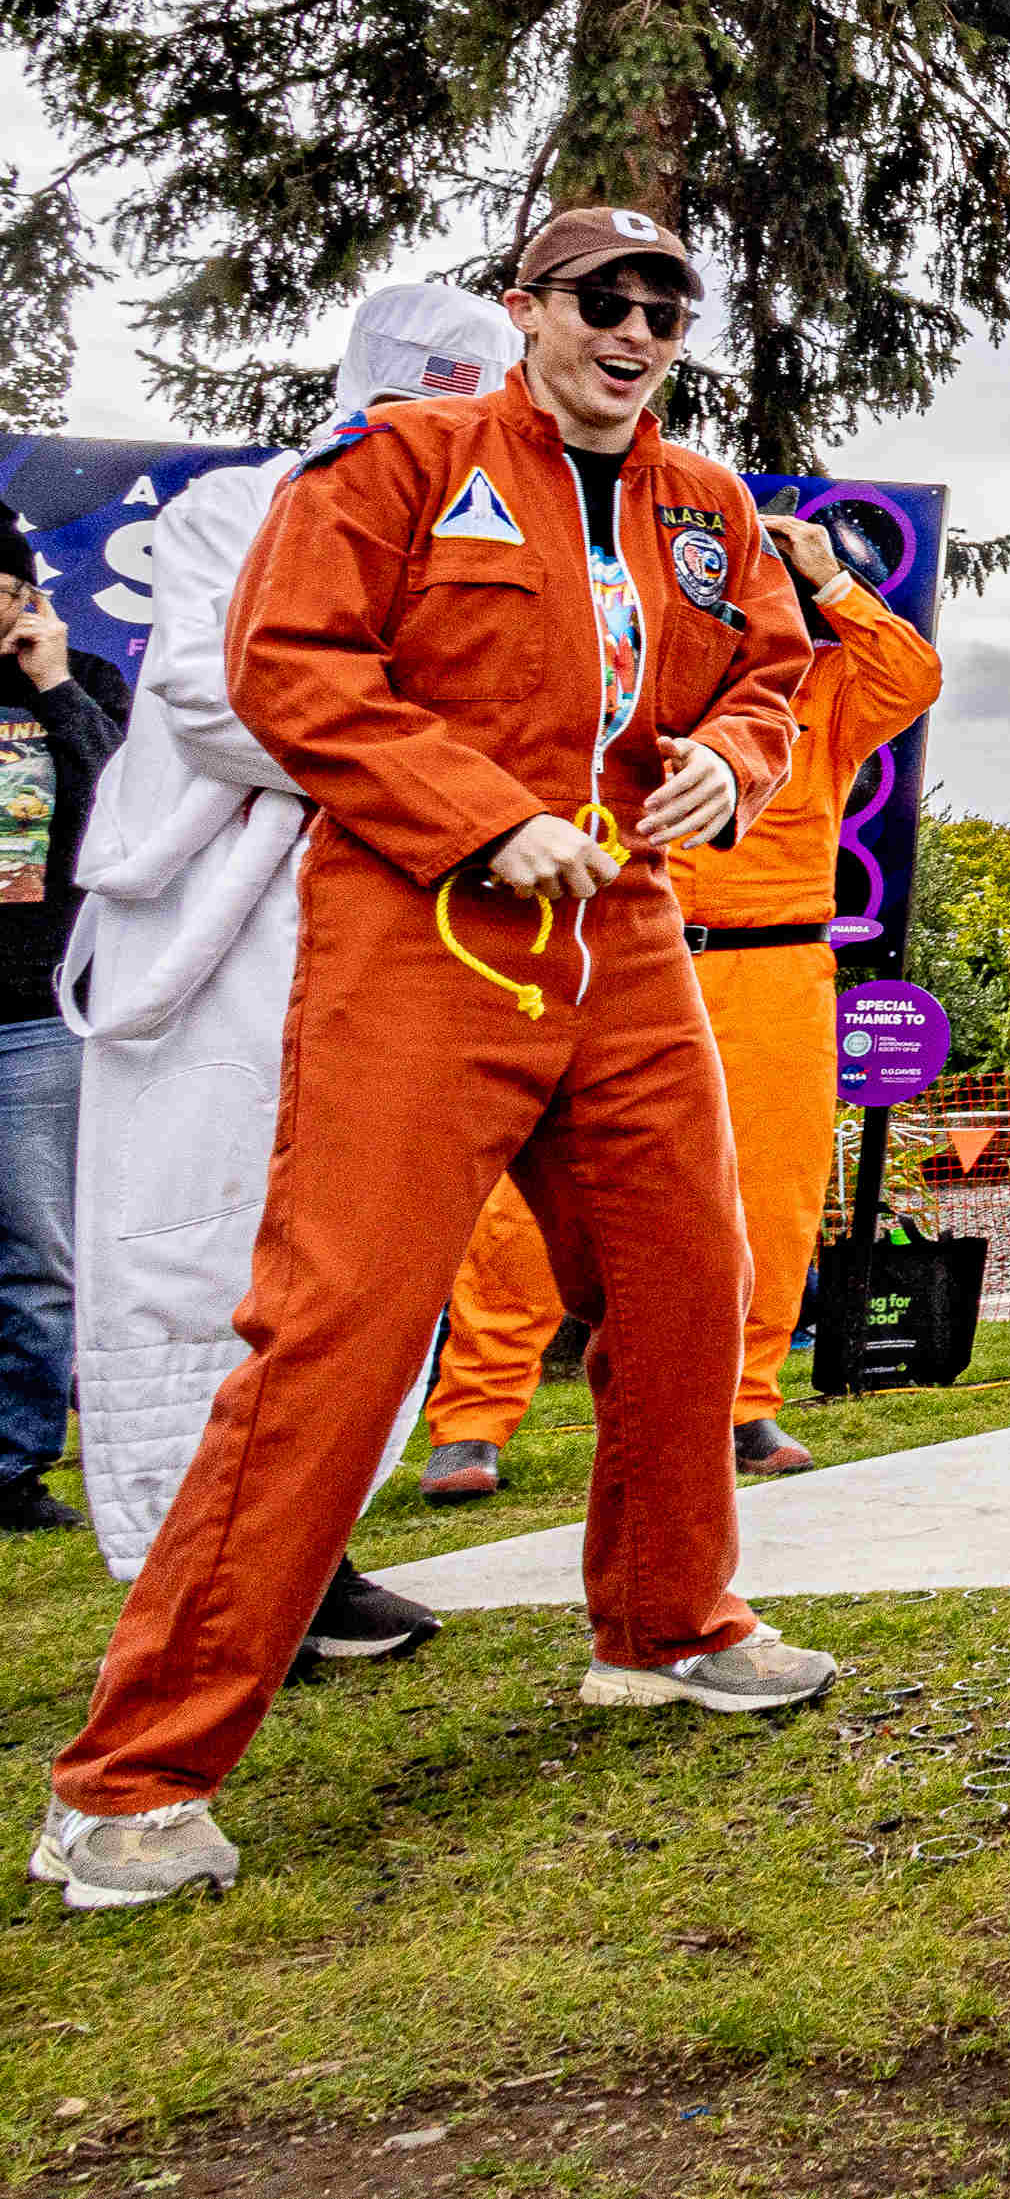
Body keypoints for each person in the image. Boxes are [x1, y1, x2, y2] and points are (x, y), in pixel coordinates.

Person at [33, 207, 838, 1918]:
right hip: (421, 930)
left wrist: (732, 759)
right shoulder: (407, 458)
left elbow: (774, 669)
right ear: (528, 310)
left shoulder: (706, 508)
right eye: (600, 302)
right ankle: (131, 1779)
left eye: (661, 309)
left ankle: (666, 1621)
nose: (632, 332)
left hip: (621, 936)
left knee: (688, 1275)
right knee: (337, 1326)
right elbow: (281, 668)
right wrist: (483, 813)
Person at [59, 288, 518, 1667]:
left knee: (359, 1242)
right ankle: (188, 1575)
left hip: (394, 916)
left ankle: (310, 1546)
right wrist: (430, 764)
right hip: (223, 930)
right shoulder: (245, 509)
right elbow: (226, 691)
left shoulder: (495, 532)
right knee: (202, 1236)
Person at [420, 488, 943, 1490]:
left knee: (771, 1196)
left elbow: (911, 675)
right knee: (525, 1200)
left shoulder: (826, 688)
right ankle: (473, 1421)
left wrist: (826, 569)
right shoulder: (630, 668)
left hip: (774, 966)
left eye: (752, 572)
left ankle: (743, 1405)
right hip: (614, 948)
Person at [0, 504, 130, 1537]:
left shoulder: (79, 683)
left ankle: (13, 1467)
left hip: (33, 1010)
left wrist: (49, 685)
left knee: (38, 1251)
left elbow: (124, 808)